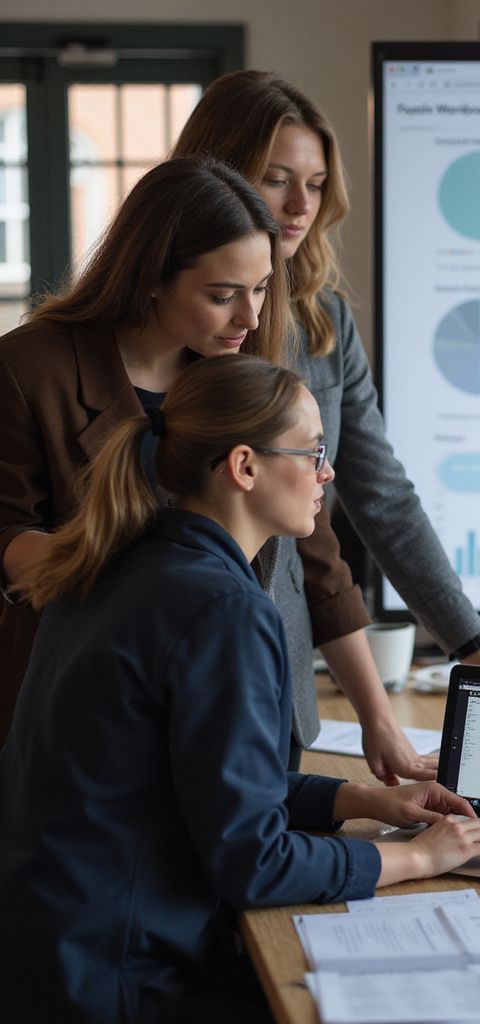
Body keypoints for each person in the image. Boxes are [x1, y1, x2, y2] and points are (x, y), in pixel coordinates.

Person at [0, 354, 480, 1024]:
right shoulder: (220, 609)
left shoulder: (115, 563)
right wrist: (413, 857)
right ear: (244, 466)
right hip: (122, 981)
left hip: (48, 955)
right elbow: (254, 863)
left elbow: (193, 783)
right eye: (314, 451)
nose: (327, 472)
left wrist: (364, 798)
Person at [171, 71, 480, 781]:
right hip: (166, 677)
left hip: (278, 687)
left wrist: (468, 642)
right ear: (216, 179)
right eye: (275, 178)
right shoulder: (165, 331)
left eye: (314, 184)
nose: (297, 206)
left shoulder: (324, 325)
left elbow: (377, 500)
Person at [0, 155, 289, 746]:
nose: (250, 316)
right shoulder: (29, 368)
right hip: (79, 717)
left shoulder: (239, 372)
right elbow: (5, 533)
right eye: (222, 294)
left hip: (220, 702)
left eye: (260, 288)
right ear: (151, 277)